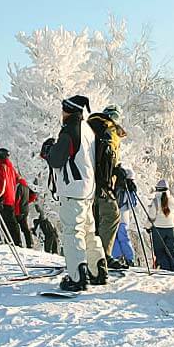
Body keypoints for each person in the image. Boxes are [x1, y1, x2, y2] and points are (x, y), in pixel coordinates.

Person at [43, 94, 107, 291]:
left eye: (63, 110)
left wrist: (48, 150)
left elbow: (57, 160)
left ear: (68, 110)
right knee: (89, 230)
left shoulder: (70, 130)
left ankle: (77, 276)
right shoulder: (88, 129)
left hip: (73, 190)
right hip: (88, 189)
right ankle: (98, 270)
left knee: (73, 232)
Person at [87, 104, 127, 272]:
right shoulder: (109, 130)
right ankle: (103, 257)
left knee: (94, 220)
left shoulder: (91, 129)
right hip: (101, 183)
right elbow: (108, 158)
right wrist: (112, 177)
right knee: (112, 215)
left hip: (87, 181)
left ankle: (92, 256)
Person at [146, 179, 174, 271]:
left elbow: (151, 217)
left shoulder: (155, 202)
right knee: (173, 251)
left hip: (158, 230)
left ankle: (165, 270)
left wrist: (147, 227)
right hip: (172, 229)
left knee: (160, 251)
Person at [0, 147, 22, 246]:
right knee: (10, 221)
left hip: (2, 199)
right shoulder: (11, 168)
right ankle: (15, 241)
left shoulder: (1, 167)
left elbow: (1, 183)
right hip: (10, 198)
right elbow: (18, 179)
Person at [111, 168, 137, 267]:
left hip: (114, 216)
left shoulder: (116, 187)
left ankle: (117, 257)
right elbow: (132, 204)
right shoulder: (128, 189)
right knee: (124, 238)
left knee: (114, 238)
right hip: (123, 217)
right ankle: (129, 258)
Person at [15, 177, 36, 249]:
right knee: (25, 228)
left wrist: (16, 211)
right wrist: (27, 202)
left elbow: (17, 199)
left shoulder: (19, 187)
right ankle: (30, 243)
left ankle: (18, 242)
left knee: (16, 227)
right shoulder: (26, 187)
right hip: (25, 209)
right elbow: (33, 196)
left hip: (19, 210)